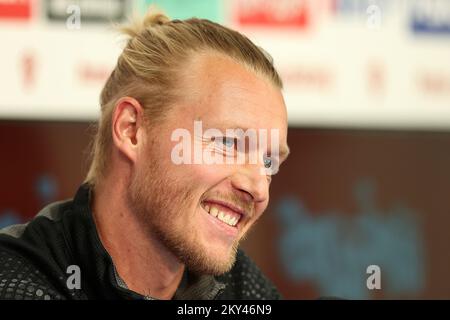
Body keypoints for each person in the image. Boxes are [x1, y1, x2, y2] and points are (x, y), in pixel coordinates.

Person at [0, 10, 289, 300]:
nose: (258, 188)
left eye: (268, 162)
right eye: (227, 143)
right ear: (131, 129)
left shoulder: (241, 286)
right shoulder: (17, 281)